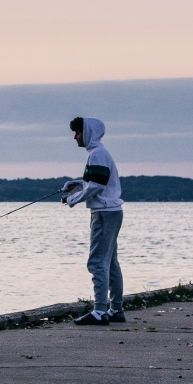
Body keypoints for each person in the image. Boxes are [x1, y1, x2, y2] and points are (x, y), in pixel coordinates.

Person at [62, 117, 125, 325]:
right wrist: (77, 184)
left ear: (88, 132)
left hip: (104, 214)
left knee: (97, 262)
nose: (75, 137)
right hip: (112, 212)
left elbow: (97, 187)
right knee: (111, 263)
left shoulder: (97, 154)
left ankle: (99, 311)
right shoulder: (99, 153)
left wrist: (73, 199)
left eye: (78, 133)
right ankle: (116, 309)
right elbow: (95, 183)